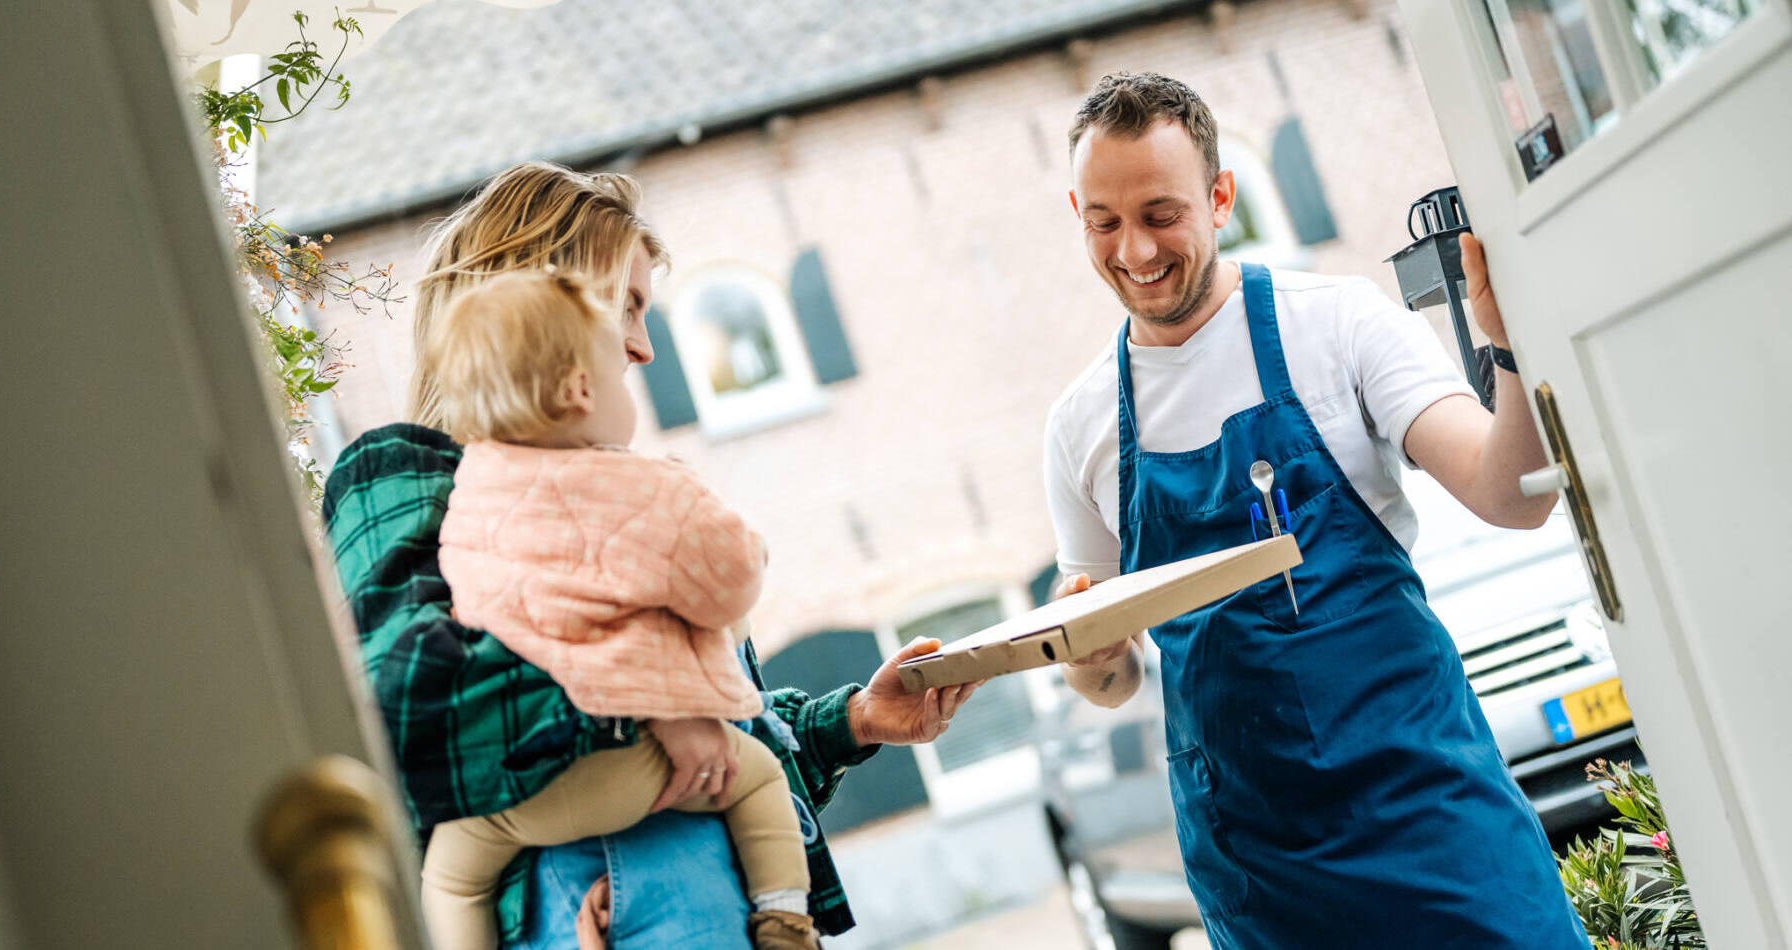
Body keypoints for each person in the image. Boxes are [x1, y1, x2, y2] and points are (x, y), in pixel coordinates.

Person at [321, 162, 979, 950]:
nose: (642, 348)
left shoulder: (613, 489)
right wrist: (653, 709)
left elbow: (708, 756)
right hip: (599, 893)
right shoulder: (404, 470)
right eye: (625, 307)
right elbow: (417, 709)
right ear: (536, 306)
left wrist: (855, 722)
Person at [1041, 73, 1589, 947]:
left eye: (1160, 213)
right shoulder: (1081, 428)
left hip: (1433, 822)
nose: (1135, 250)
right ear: (1078, 212)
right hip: (1261, 872)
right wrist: (1089, 659)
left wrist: (1508, 343)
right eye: (1103, 222)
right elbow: (1112, 684)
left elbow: (1509, 493)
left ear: (1220, 198)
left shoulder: (1335, 324)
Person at [419, 270, 817, 950]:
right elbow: (730, 580)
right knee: (756, 778)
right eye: (618, 371)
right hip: (637, 765)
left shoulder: (463, 495)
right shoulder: (638, 487)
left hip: (517, 789)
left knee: (451, 876)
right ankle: (784, 921)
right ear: (580, 390)